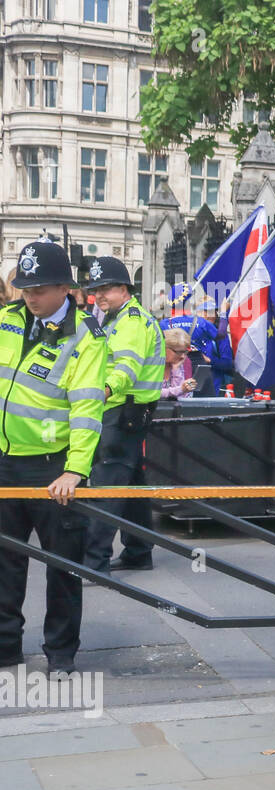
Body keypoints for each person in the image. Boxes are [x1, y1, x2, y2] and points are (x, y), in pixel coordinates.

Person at [0, 241, 108, 676]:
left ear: (65, 288)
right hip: (5, 461)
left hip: (53, 467)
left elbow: (86, 409)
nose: (29, 296)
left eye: (39, 289)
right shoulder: (7, 321)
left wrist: (75, 468)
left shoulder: (86, 337)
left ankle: (60, 653)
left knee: (62, 566)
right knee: (4, 564)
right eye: (24, 287)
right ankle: (6, 648)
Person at [81, 256, 164, 574]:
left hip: (120, 409)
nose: (100, 295)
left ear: (124, 288)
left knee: (107, 485)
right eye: (96, 290)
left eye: (107, 288)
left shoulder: (129, 321)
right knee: (131, 487)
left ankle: (93, 560)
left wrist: (99, 392)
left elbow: (125, 369)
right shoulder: (116, 318)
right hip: (128, 411)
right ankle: (139, 550)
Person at [161, 329, 197, 400]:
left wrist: (176, 369)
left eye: (185, 352)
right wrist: (180, 389)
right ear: (165, 348)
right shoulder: (152, 363)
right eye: (179, 352)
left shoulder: (183, 362)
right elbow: (153, 393)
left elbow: (179, 398)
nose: (182, 356)